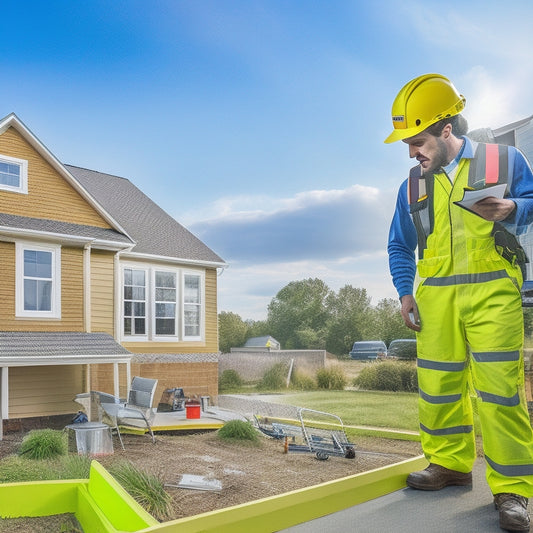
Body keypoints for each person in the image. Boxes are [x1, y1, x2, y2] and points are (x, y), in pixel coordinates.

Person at [386, 73, 533, 533]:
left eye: (418, 141)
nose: (412, 152)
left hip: (493, 294)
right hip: (435, 301)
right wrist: (405, 291)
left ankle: (514, 490)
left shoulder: (505, 161)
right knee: (439, 387)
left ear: (447, 131)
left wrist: (514, 209)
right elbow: (398, 246)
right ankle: (449, 466)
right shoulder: (412, 185)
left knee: (499, 393)